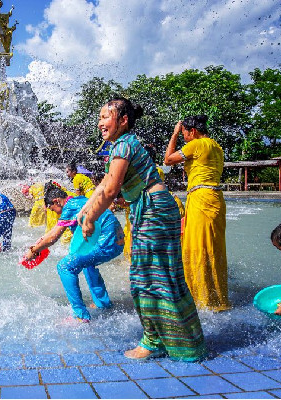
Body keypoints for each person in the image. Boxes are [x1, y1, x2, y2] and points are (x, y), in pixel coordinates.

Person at [79, 97, 206, 362]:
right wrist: (86, 209)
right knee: (156, 276)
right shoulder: (121, 145)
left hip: (153, 210)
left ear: (123, 120)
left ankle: (156, 340)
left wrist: (91, 219)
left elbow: (112, 191)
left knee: (147, 278)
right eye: (100, 117)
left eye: (106, 117)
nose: (101, 122)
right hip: (152, 208)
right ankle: (172, 339)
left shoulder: (123, 145)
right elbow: (105, 183)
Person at [24, 182, 124, 322]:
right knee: (87, 264)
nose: (55, 213)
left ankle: (80, 316)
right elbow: (54, 233)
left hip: (107, 243)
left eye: (53, 209)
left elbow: (53, 237)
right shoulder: (79, 200)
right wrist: (41, 242)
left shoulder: (69, 207)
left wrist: (33, 251)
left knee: (64, 267)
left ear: (56, 201)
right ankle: (103, 303)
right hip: (118, 242)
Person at [164, 115, 230, 312]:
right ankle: (217, 296)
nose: (184, 137)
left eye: (184, 133)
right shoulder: (216, 146)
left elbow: (168, 160)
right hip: (215, 199)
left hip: (201, 199)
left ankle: (202, 299)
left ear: (192, 131)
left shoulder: (197, 144)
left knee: (198, 247)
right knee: (213, 247)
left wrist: (174, 134)